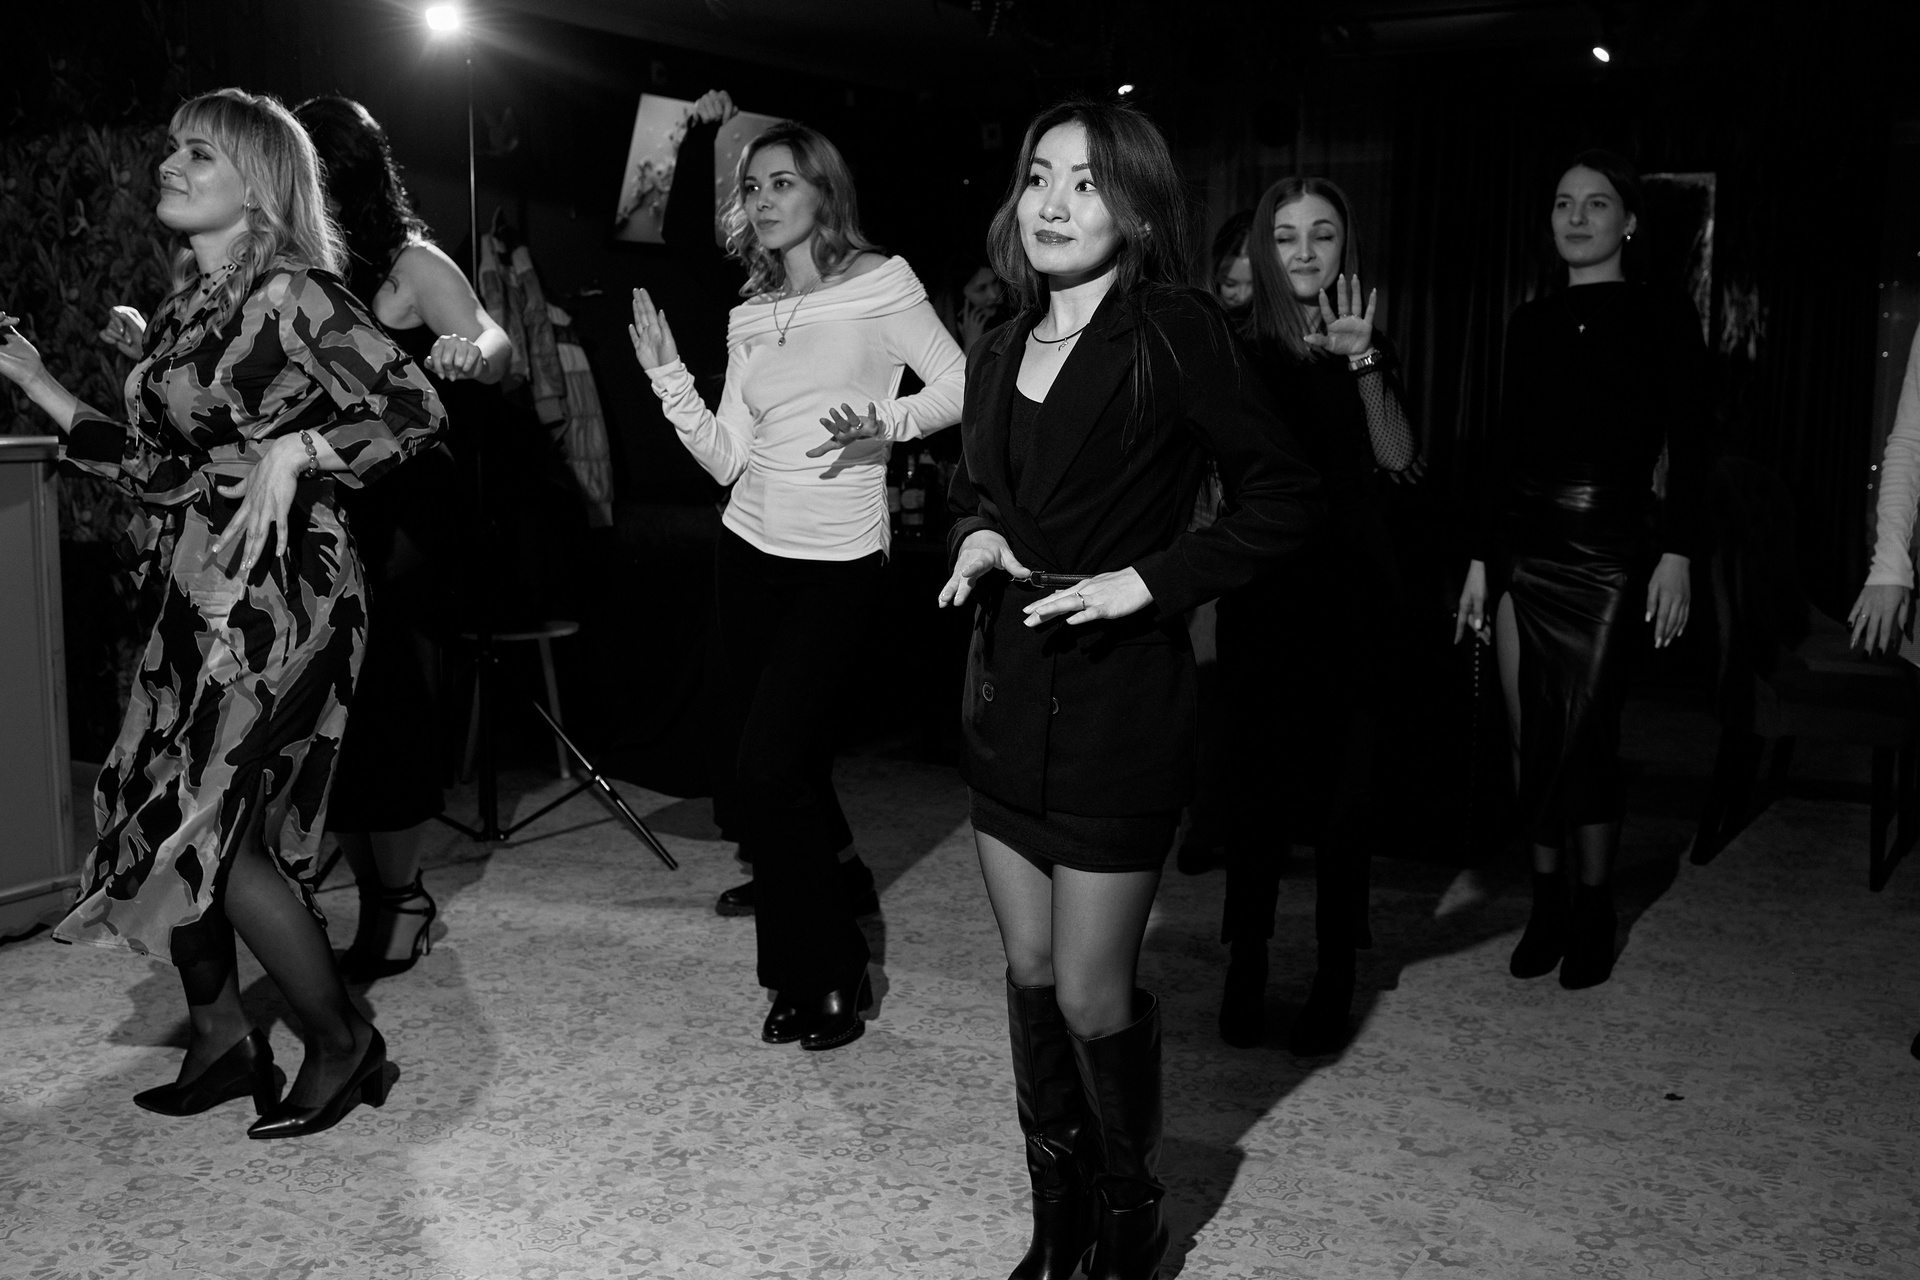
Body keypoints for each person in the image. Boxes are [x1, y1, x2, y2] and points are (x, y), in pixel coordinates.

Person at [0, 88, 444, 1137]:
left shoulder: (298, 293)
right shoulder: (189, 307)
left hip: (285, 589)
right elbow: (164, 472)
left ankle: (344, 1042)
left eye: (202, 153)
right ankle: (221, 1039)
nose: (173, 163)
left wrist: (304, 447)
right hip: (196, 586)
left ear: (260, 186)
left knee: (224, 830)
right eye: (173, 147)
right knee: (160, 815)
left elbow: (415, 409)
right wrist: (40, 383)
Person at [940, 99, 1320, 1280]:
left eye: (1087, 183)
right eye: (1039, 177)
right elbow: (978, 490)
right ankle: (1056, 1214)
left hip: (1120, 705)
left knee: (1094, 995)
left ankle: (1130, 1214)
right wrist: (975, 536)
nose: (1053, 204)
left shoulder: (1177, 332)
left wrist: (1150, 581)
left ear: (1141, 210)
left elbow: (1286, 498)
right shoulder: (996, 342)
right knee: (1030, 973)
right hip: (1007, 695)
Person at [628, 119, 965, 1051]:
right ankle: (794, 972)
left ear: (824, 190)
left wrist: (886, 422)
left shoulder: (880, 282)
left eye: (783, 181)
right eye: (752, 187)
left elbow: (960, 382)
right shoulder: (751, 312)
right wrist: (667, 377)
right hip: (748, 552)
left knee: (773, 767)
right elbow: (726, 456)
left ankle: (835, 965)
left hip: (838, 561)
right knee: (761, 777)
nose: (765, 199)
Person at [1454, 149, 1708, 990]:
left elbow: (1692, 443)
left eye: (1596, 203)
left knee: (1587, 732)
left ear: (1628, 221)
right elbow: (1504, 447)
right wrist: (1481, 560)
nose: (1576, 216)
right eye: (1564, 202)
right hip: (1524, 545)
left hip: (1610, 546)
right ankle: (1548, 900)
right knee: (1528, 733)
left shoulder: (1661, 311)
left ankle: (1595, 905)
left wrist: (1678, 551)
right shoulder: (1530, 321)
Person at [292, 95, 511, 982]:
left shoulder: (409, 264)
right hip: (327, 502)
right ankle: (383, 896)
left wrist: (469, 353)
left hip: (409, 507)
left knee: (386, 698)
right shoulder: (295, 267)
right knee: (329, 705)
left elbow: (493, 339)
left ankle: (404, 893)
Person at [1214, 176, 1419, 1053]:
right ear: (1264, 247)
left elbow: (1398, 458)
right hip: (1266, 597)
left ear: (1345, 249)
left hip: (1354, 600)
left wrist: (1363, 361)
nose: (1304, 251)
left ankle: (1335, 973)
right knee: (1254, 800)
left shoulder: (1365, 344)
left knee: (1344, 810)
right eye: (1286, 234)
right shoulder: (1234, 351)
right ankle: (1247, 963)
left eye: (1323, 234)